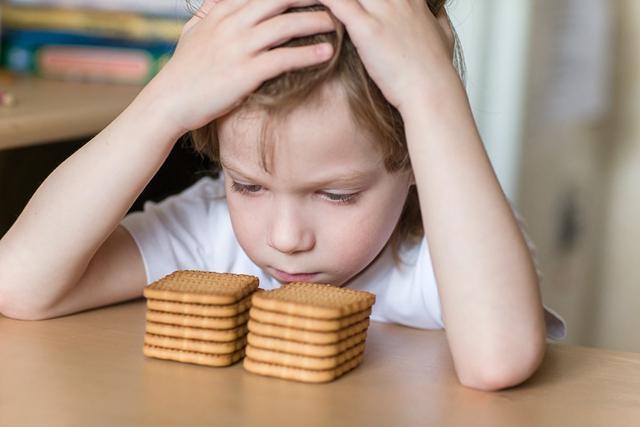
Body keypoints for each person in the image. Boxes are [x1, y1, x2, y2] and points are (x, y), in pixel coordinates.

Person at [0, 0, 564, 390]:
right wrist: (164, 102)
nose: (284, 238)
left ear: (420, 155)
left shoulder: (452, 245)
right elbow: (18, 283)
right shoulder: (212, 233)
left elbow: (498, 360)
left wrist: (430, 89)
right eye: (248, 184)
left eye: (337, 194)